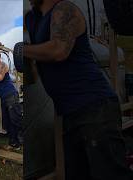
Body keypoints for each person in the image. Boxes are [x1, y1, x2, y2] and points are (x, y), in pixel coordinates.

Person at [24, 0, 133, 179]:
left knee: (110, 174)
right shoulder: (35, 19)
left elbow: (59, 50)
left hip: (94, 109)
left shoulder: (65, 9)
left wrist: (24, 50)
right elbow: (34, 73)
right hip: (70, 112)